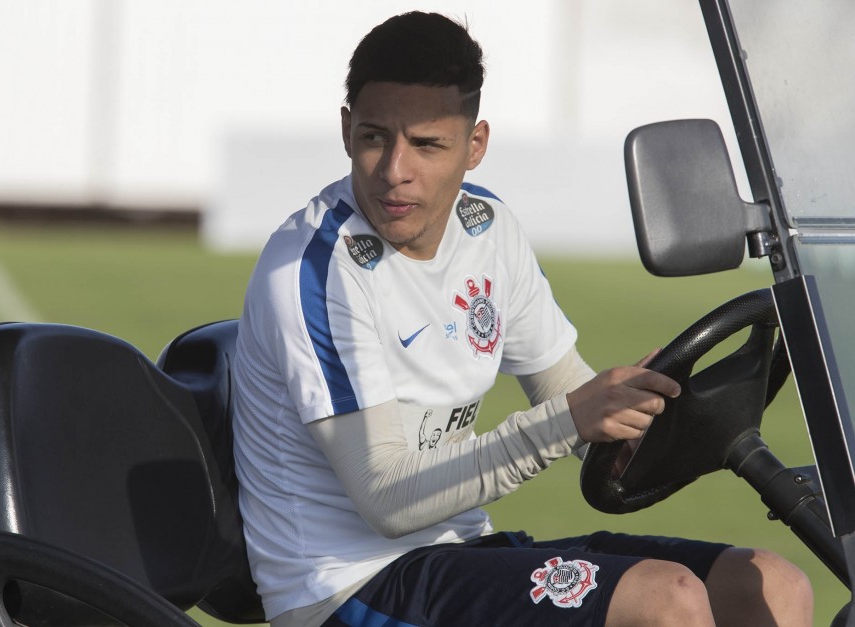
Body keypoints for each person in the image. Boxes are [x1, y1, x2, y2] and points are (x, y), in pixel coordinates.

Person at [232, 11, 813, 626]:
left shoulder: (488, 228)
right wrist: (570, 421)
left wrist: (645, 412)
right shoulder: (314, 269)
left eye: (427, 144)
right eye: (375, 137)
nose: (394, 170)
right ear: (347, 129)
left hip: (460, 556)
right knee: (666, 600)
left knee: (771, 585)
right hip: (346, 589)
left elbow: (561, 384)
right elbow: (390, 500)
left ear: (475, 145)